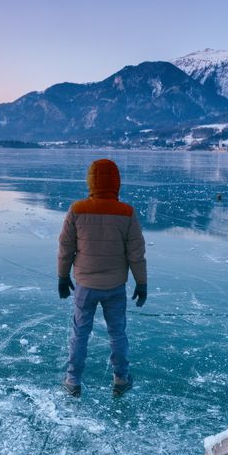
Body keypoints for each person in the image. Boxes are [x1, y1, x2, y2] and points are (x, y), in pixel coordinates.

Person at [57, 159, 147, 397]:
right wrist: (142, 282)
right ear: (116, 182)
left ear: (91, 181)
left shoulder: (77, 209)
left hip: (85, 286)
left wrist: (62, 277)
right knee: (117, 333)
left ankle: (72, 380)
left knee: (80, 333)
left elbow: (66, 248)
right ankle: (121, 378)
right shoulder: (126, 212)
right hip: (116, 286)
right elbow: (136, 253)